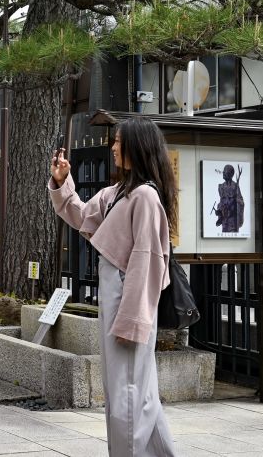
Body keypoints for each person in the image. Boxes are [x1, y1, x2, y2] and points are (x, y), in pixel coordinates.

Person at [49, 118, 178, 457]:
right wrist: (62, 181)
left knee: (128, 396)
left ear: (138, 147)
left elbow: (147, 261)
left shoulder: (145, 197)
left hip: (128, 305)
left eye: (119, 141)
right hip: (117, 300)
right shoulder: (119, 193)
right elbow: (79, 214)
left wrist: (132, 322)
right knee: (136, 392)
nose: (114, 147)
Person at [214, 165, 245, 233]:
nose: (223, 173)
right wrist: (219, 211)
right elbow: (221, 202)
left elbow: (241, 202)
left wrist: (235, 201)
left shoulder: (235, 186)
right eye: (223, 171)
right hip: (225, 221)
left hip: (233, 221)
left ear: (231, 174)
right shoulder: (221, 187)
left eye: (225, 171)